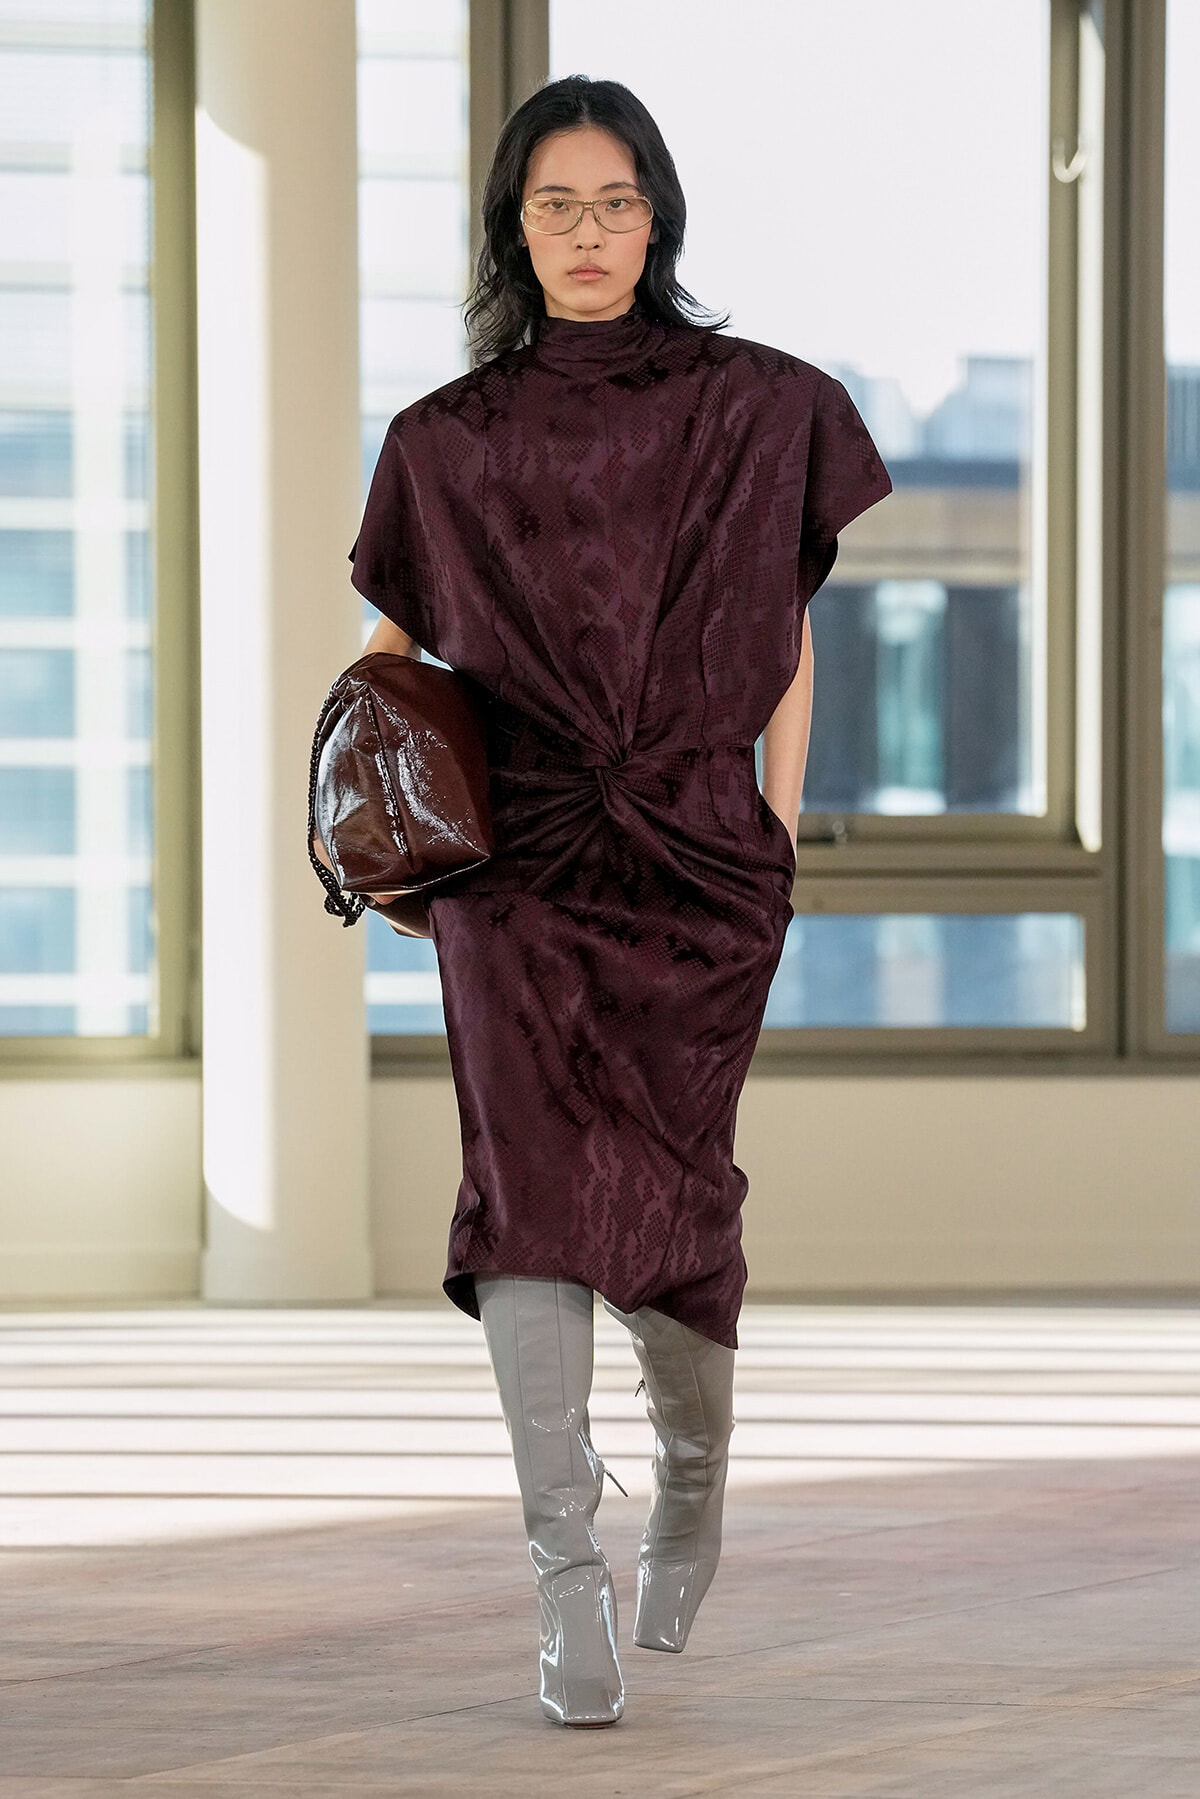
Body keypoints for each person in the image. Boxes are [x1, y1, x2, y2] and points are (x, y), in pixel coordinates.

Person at [344, 76, 892, 1727]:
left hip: (700, 863)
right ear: (514, 227)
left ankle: (696, 1485)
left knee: (671, 1201)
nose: (587, 235)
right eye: (554, 206)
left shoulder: (767, 407)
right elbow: (397, 651)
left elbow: (788, 639)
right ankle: (563, 1583)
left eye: (616, 202)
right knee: (524, 1198)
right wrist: (374, 787)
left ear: (660, 215)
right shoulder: (445, 440)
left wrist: (775, 831)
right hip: (512, 877)